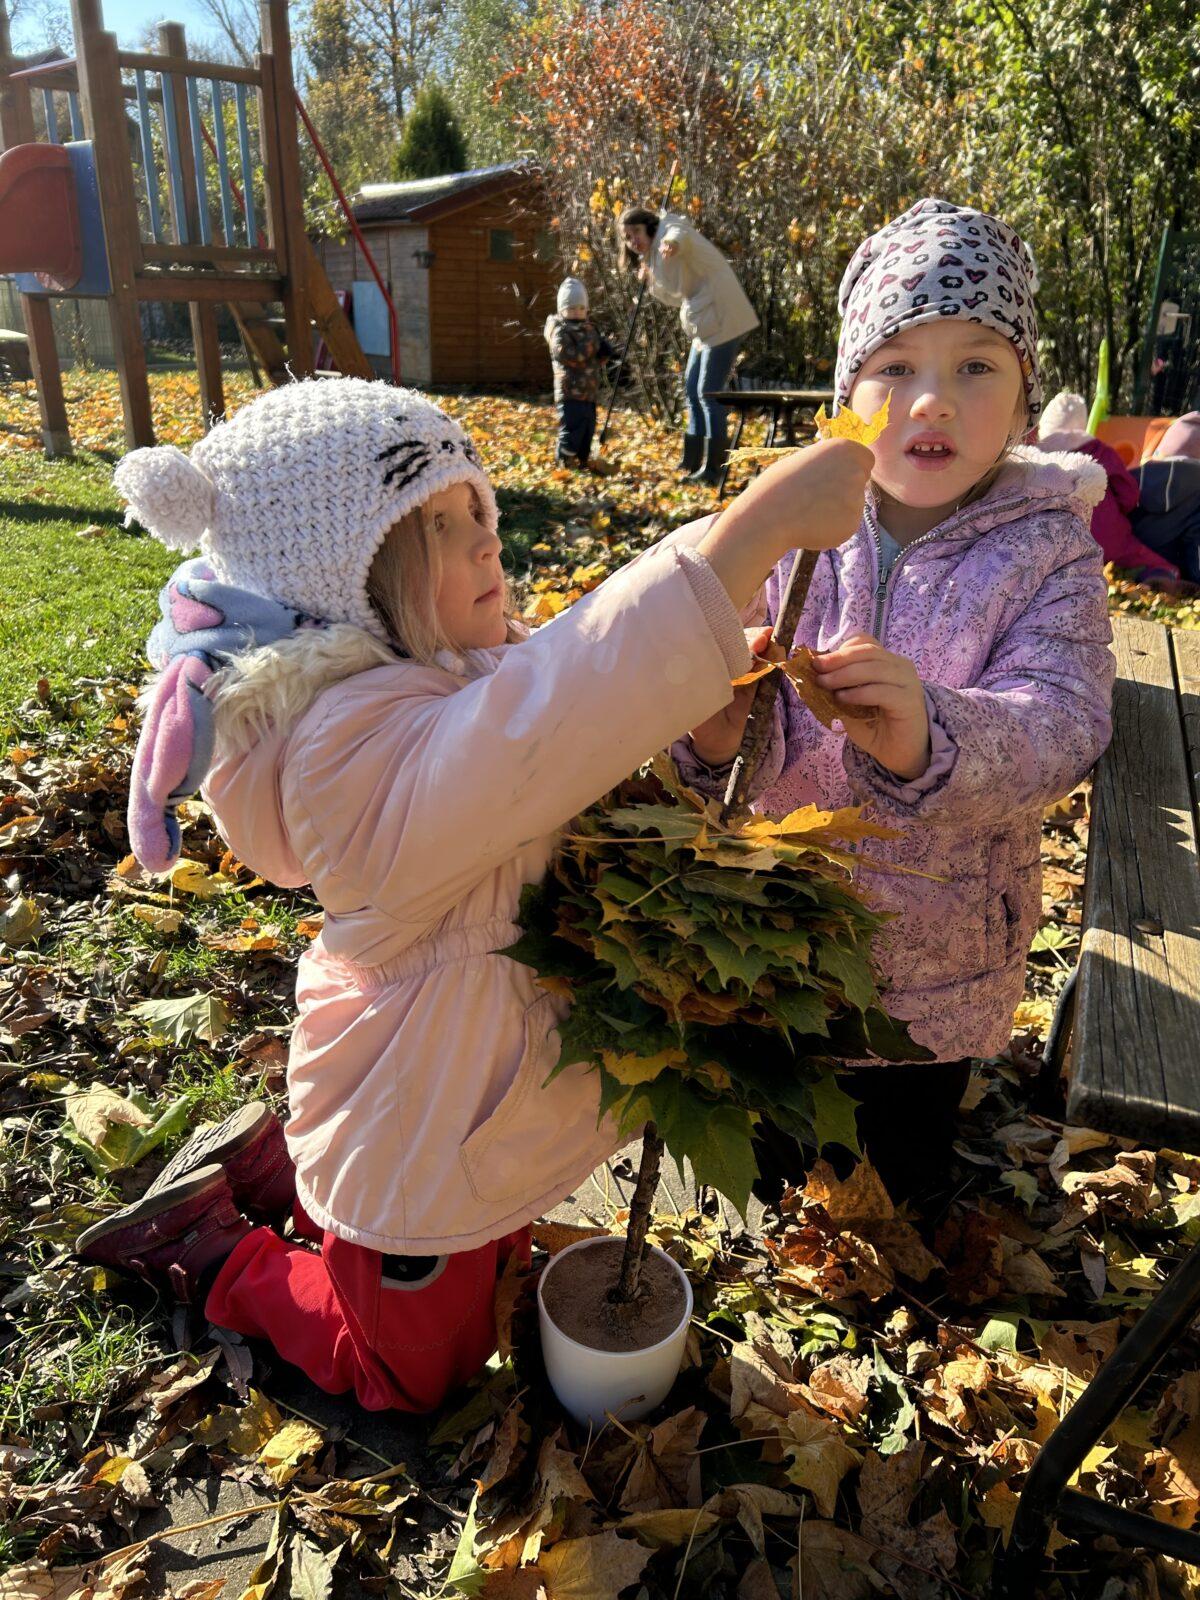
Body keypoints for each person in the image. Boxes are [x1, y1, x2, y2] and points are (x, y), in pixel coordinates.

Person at [75, 376, 871, 1411]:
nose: (487, 540)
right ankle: (216, 1252)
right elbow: (541, 726)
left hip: (470, 1093)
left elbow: (562, 733)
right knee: (411, 1373)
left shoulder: (443, 676)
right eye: (439, 526)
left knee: (476, 1251)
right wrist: (739, 543)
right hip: (416, 1119)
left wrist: (701, 718)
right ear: (349, 581)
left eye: (478, 509)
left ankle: (281, 1176)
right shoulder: (344, 753)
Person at [673, 198, 1115, 1204]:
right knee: (768, 1192)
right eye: (897, 367)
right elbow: (706, 706)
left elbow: (1063, 722)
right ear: (849, 391)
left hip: (936, 967)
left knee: (896, 1191)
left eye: (975, 366)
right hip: (777, 939)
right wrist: (710, 730)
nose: (933, 401)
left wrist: (933, 732)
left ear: (1022, 388)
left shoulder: (1048, 551)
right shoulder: (793, 527)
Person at [618, 205, 759, 487]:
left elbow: (678, 231)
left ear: (648, 225)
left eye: (636, 232)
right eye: (627, 237)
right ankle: (692, 461)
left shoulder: (671, 229)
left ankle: (715, 468)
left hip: (723, 317)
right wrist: (652, 280)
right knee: (692, 390)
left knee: (708, 394)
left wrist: (671, 242)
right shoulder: (653, 257)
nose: (633, 241)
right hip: (705, 324)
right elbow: (675, 297)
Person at [1036, 390, 1189, 593]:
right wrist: (1121, 510)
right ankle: (1157, 577)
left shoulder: (1035, 456)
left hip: (1055, 540)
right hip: (1106, 533)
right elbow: (1128, 493)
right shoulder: (1099, 451)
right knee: (1138, 556)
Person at [543, 276, 615, 469]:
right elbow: (569, 355)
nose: (577, 313)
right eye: (572, 308)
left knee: (587, 428)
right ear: (561, 310)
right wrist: (593, 344)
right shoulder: (559, 331)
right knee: (572, 428)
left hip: (589, 392)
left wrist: (603, 354)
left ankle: (583, 458)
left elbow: (591, 360)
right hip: (570, 392)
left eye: (581, 309)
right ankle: (564, 457)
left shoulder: (588, 329)